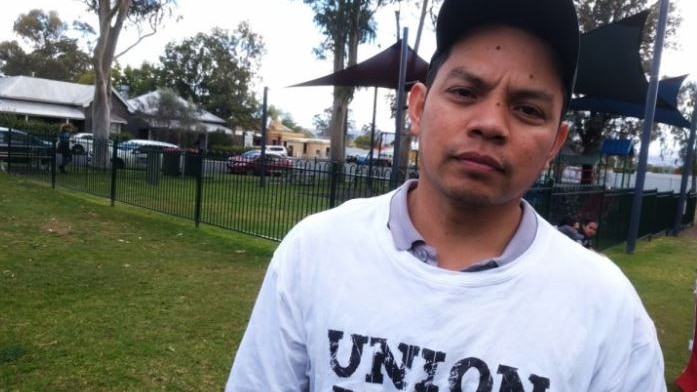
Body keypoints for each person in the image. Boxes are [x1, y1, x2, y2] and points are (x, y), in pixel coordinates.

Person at [225, 0, 666, 390]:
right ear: (418, 107)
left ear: (554, 142)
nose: (491, 123)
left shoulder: (608, 311)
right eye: (464, 92)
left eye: (528, 109)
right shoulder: (316, 252)